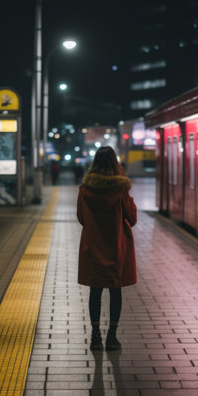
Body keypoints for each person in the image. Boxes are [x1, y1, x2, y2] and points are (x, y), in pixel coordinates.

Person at [77, 146, 137, 351]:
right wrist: (127, 198)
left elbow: (81, 218)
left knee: (95, 290)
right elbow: (133, 218)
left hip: (93, 245)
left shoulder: (85, 189)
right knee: (115, 290)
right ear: (115, 163)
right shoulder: (121, 189)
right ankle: (112, 337)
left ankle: (95, 336)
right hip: (117, 246)